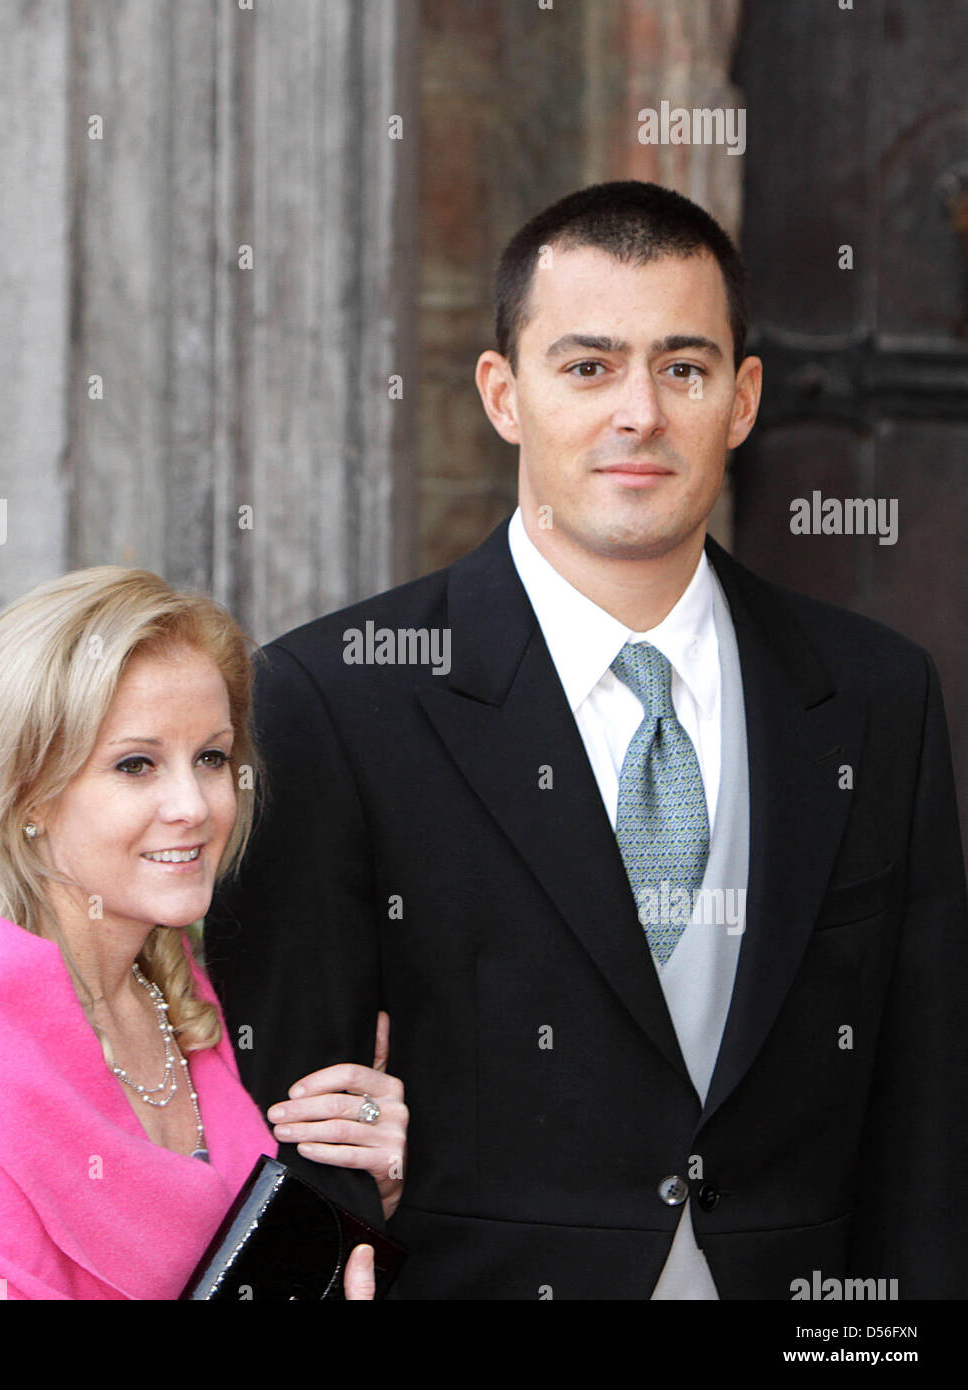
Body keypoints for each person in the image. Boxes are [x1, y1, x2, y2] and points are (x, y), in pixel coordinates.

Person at [208, 180, 968, 1299]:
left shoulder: (873, 693)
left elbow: (925, 1107)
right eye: (587, 365)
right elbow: (291, 1116)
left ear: (744, 398)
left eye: (684, 367)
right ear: (502, 393)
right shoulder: (332, 699)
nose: (639, 413)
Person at [0, 567, 406, 1300]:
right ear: (27, 795)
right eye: (136, 765)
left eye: (211, 757)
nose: (194, 805)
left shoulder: (201, 1000)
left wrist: (363, 1188)